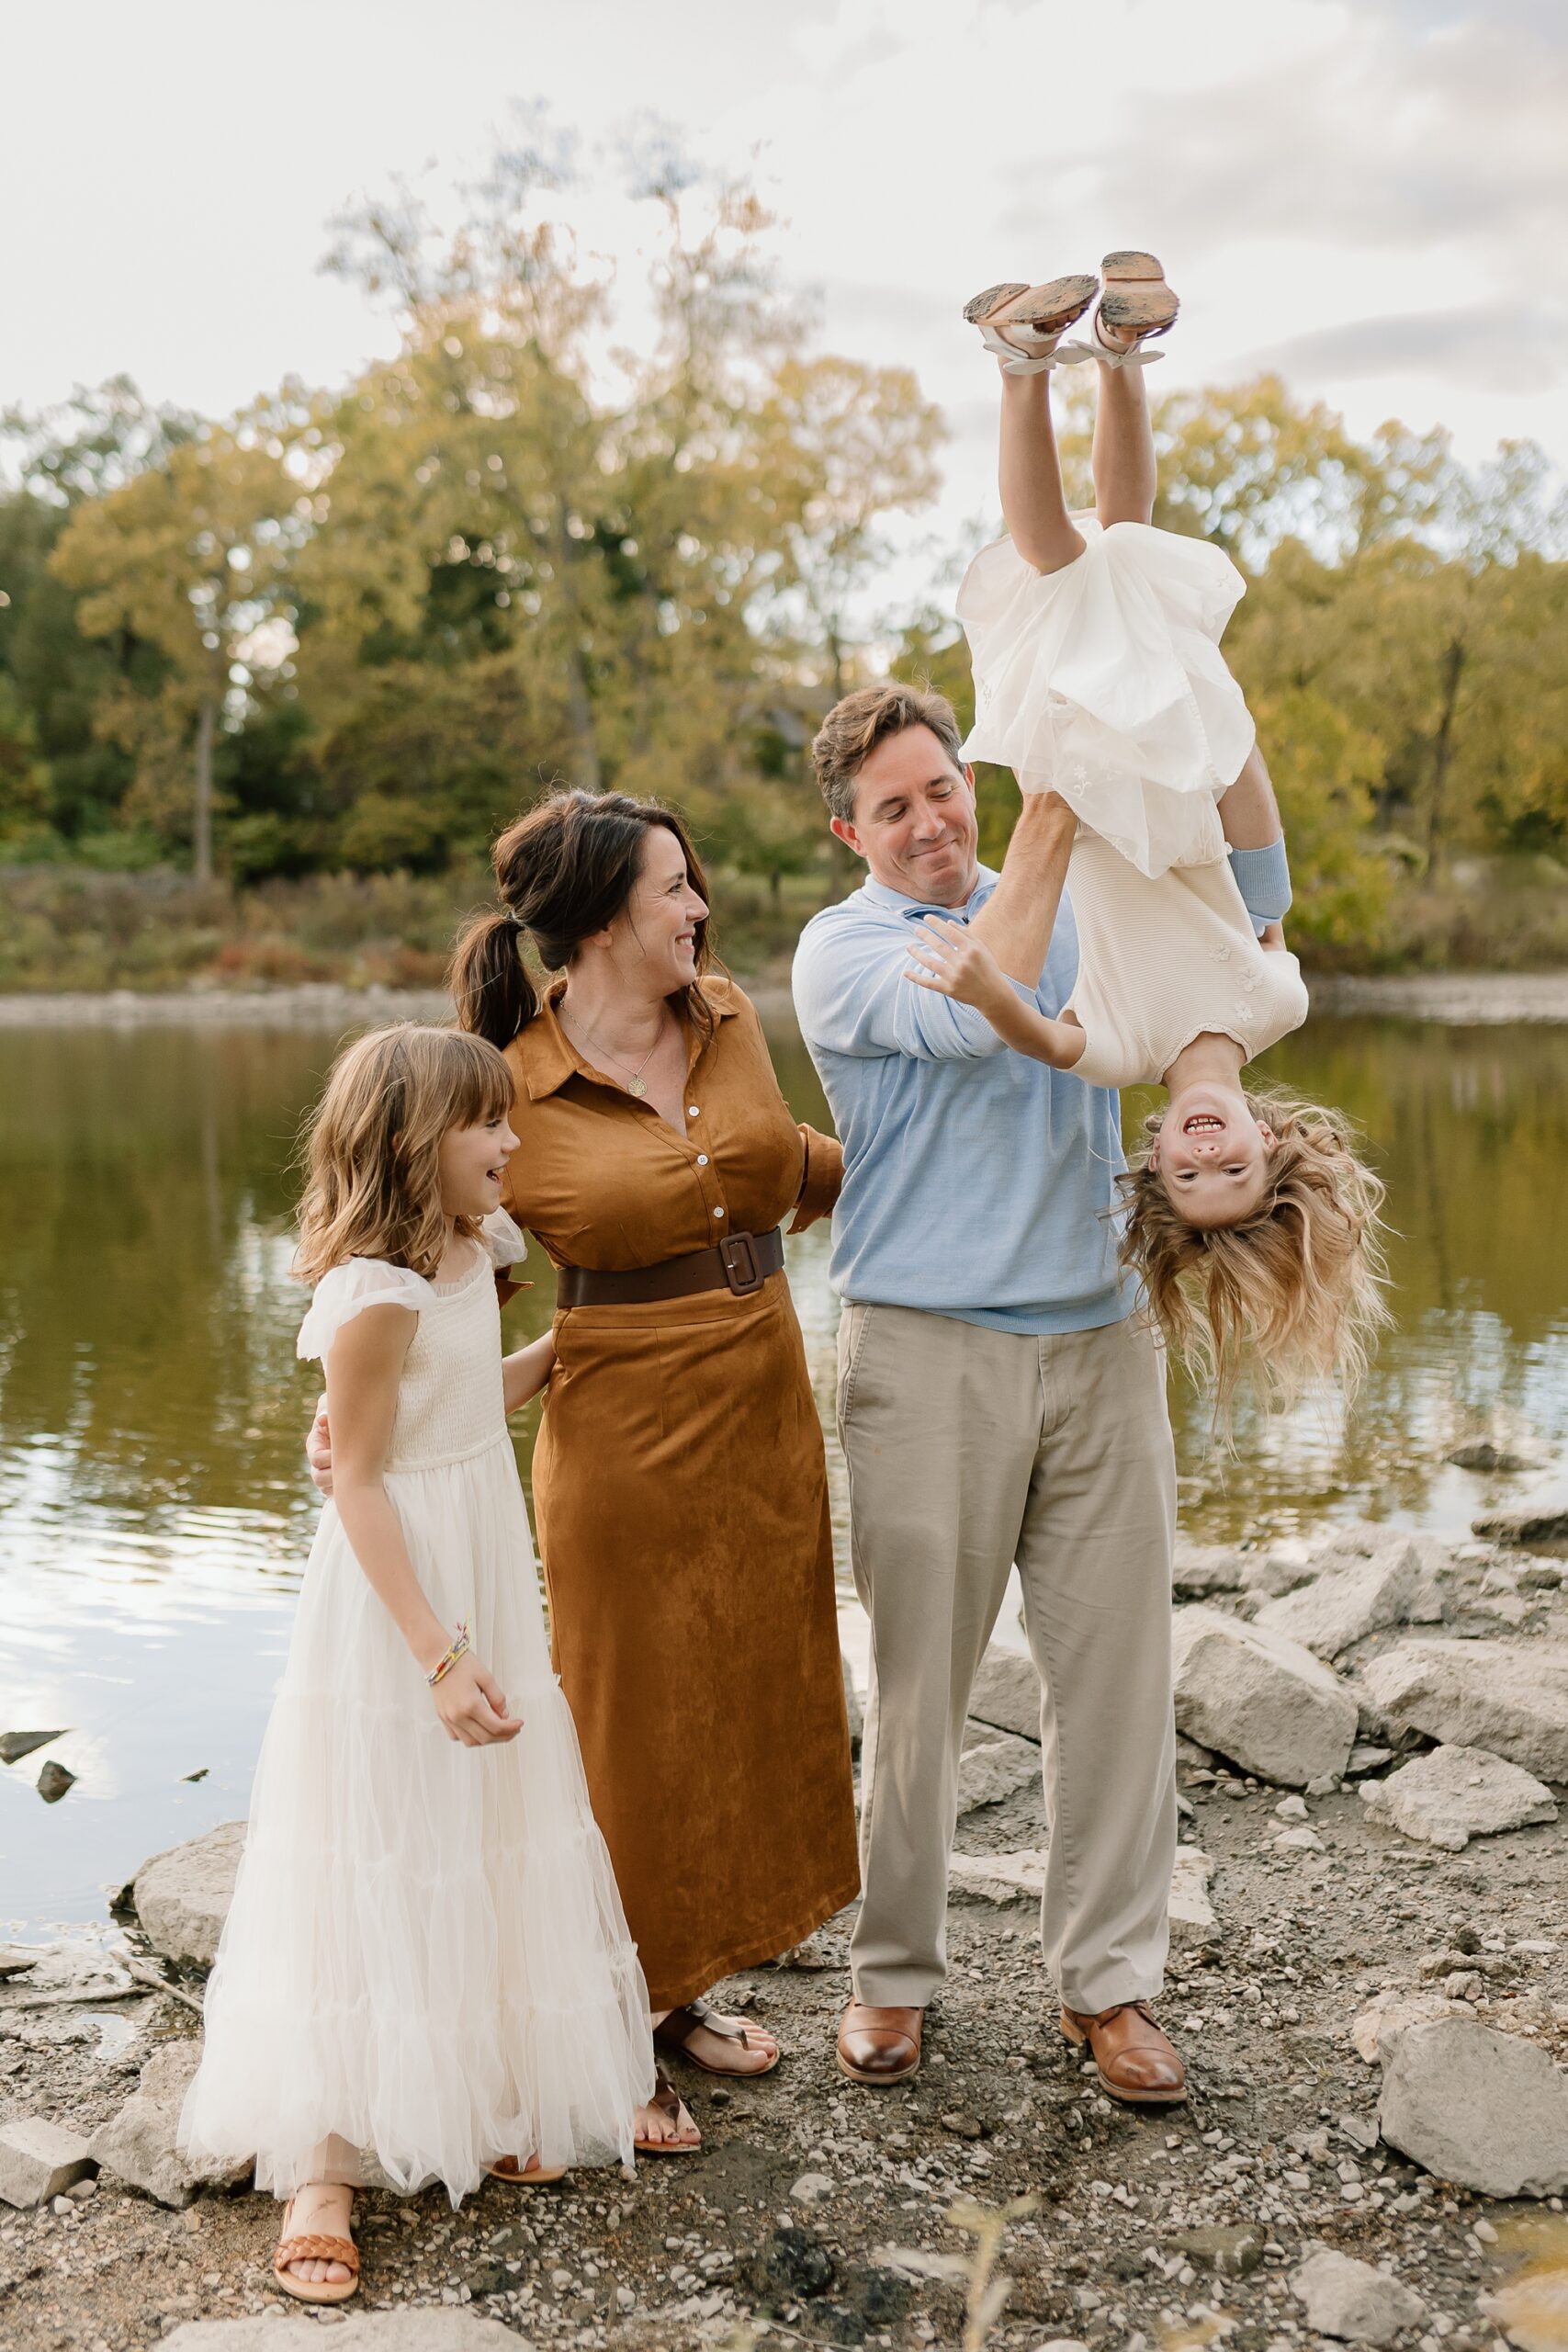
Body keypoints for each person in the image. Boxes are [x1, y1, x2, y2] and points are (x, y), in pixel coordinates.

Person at [790, 254, 1309, 2110]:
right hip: (925, 1350)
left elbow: (1231, 922)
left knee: (1112, 1687)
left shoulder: (1076, 888)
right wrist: (1056, 782)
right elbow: (1001, 961)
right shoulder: (848, 956)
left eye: (952, 781)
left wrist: (1162, 755)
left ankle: (1109, 1984)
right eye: (905, 802)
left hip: (1092, 1343)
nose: (938, 813)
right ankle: (897, 1977)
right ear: (853, 831)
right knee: (920, 1703)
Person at [181, 1024, 654, 2306]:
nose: (511, 1141)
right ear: (412, 1142)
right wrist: (438, 1654)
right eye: (487, 1124)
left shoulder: (472, 1245)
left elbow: (455, 1406)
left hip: (478, 1547)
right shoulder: (371, 1294)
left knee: (483, 1816)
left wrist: (569, 1351)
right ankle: (322, 2165)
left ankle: (474, 2088)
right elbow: (364, 1484)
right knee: (375, 1832)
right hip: (400, 1592)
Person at [446, 789, 859, 2151]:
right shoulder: (505, 1080)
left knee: (740, 1701)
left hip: (762, 1401)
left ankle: (675, 1991)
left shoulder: (729, 1015)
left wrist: (988, 1183)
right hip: (620, 1430)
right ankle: (600, 2023)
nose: (697, 909)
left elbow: (783, 1165)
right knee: (625, 1726)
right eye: (673, 889)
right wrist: (372, 1396)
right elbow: (436, 1254)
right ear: (602, 920)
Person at [910, 253, 1387, 1408]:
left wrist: (985, 990)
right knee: (1117, 550)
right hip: (1180, 771)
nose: (1208, 1148)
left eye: (1190, 1170)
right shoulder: (1276, 1007)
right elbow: (1262, 881)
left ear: (1158, 1160)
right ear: (1273, 1147)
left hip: (1086, 784)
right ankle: (1087, 359)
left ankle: (1060, 366)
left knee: (1069, 565)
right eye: (1234, 1166)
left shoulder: (1123, 1052)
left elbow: (1043, 1038)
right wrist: (1233, 740)